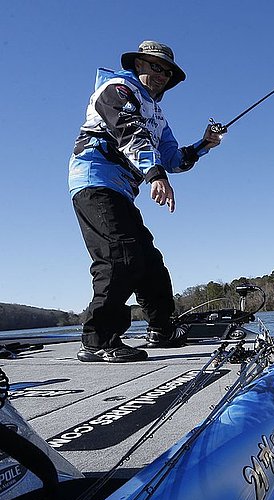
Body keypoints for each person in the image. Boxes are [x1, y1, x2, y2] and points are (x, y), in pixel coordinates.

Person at [70, 41, 223, 363]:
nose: (162, 75)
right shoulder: (116, 89)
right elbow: (128, 130)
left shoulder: (158, 114)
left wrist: (204, 144)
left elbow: (173, 159)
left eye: (167, 72)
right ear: (137, 63)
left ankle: (162, 329)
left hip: (122, 191)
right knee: (120, 256)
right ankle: (98, 340)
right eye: (155, 67)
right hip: (93, 181)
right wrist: (154, 176)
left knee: (150, 262)